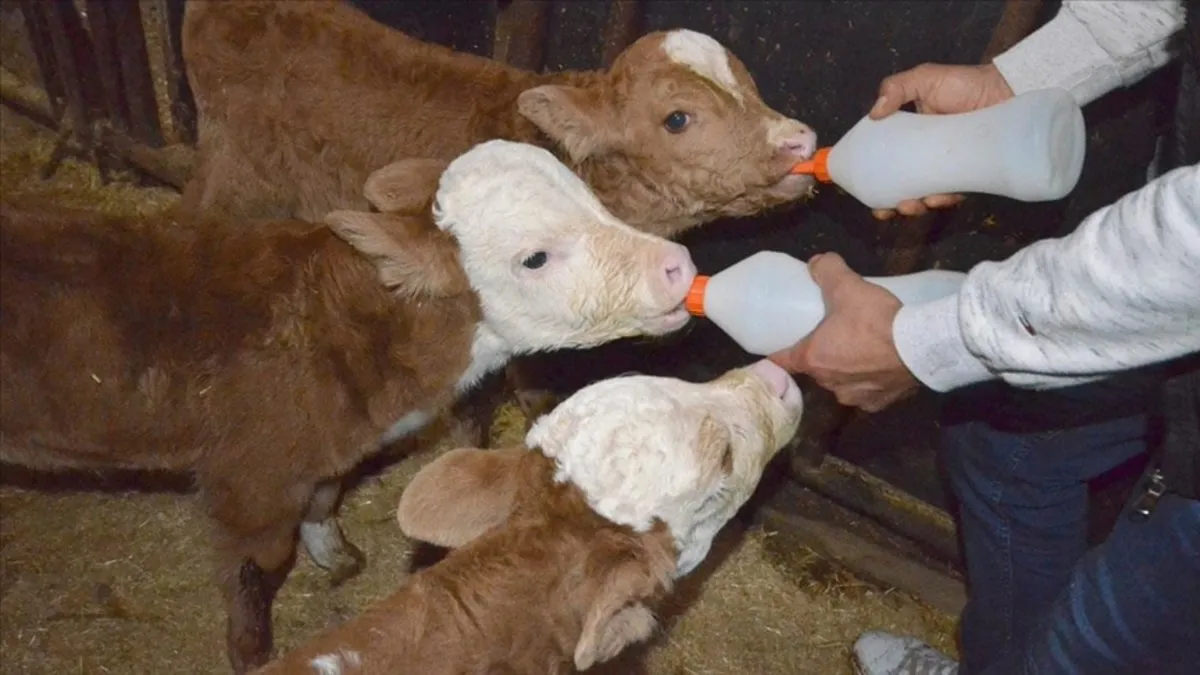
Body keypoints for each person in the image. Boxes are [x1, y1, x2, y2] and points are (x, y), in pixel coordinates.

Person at [770, 1, 1199, 673]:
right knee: (1004, 445)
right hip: (1167, 293)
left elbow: (1191, 248)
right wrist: (1015, 79)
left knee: (1090, 648)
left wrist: (937, 342)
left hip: (1179, 281)